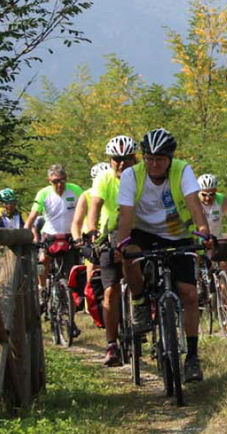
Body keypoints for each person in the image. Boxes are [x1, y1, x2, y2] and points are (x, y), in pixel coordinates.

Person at [116, 128, 212, 382]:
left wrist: (203, 231)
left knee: (189, 294)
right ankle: (139, 302)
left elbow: (194, 203)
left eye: (159, 159)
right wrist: (121, 243)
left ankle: (192, 357)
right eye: (148, 158)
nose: (153, 164)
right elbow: (125, 214)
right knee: (130, 256)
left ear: (170, 158)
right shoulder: (131, 175)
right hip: (142, 231)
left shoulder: (183, 170)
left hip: (178, 232)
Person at [84, 136, 138, 367]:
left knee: (150, 280)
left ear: (135, 158)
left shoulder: (142, 176)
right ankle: (111, 344)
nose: (122, 164)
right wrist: (92, 230)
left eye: (127, 159)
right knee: (110, 291)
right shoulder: (104, 178)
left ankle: (156, 323)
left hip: (139, 232)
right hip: (110, 235)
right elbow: (95, 206)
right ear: (110, 160)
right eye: (117, 159)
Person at [24, 164, 84, 337]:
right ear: (49, 181)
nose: (60, 185)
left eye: (62, 180)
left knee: (70, 279)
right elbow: (32, 216)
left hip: (70, 237)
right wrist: (25, 233)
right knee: (43, 261)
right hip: (49, 236)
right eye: (55, 182)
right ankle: (43, 288)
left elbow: (85, 211)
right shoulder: (43, 193)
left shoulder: (75, 190)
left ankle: (70, 321)